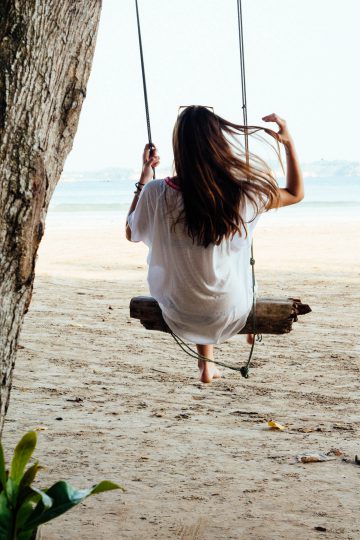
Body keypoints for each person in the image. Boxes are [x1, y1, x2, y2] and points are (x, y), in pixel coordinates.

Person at [126, 107, 303, 383]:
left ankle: (205, 365)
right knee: (228, 265)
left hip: (178, 310)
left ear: (178, 145)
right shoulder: (241, 192)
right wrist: (289, 144)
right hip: (229, 308)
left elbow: (131, 231)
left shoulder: (156, 192)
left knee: (194, 267)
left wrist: (145, 176)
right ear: (218, 143)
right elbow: (294, 193)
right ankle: (236, 339)